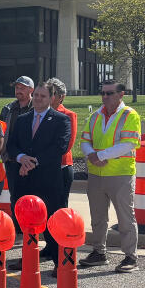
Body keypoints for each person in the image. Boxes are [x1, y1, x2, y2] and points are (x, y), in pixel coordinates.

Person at [6, 81, 72, 265]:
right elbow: (12, 145)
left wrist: (33, 162)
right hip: (25, 180)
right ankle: (28, 258)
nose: (38, 99)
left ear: (51, 98)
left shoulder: (61, 120)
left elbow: (60, 147)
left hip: (48, 180)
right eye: (36, 95)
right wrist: (21, 158)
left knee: (52, 221)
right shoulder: (22, 119)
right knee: (28, 223)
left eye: (43, 96)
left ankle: (60, 263)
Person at [81, 80, 142, 273]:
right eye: (103, 93)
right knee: (98, 217)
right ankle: (99, 253)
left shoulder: (129, 115)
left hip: (120, 173)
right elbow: (84, 141)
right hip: (96, 173)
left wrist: (99, 155)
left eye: (109, 93)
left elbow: (129, 143)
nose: (105, 97)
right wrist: (92, 154)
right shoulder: (95, 116)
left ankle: (130, 257)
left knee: (125, 217)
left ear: (121, 95)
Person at [47, 77, 79, 257]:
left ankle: (61, 251)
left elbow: (66, 145)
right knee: (46, 210)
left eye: (50, 94)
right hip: (43, 170)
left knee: (59, 209)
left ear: (60, 97)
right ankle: (50, 246)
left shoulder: (68, 115)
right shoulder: (39, 113)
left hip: (60, 168)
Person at [0, 76, 35, 216]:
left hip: (31, 161)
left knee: (31, 197)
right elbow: (0, 134)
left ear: (31, 90)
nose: (18, 90)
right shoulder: (7, 109)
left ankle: (31, 228)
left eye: (22, 88)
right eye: (17, 87)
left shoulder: (35, 108)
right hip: (11, 160)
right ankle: (18, 229)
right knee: (15, 196)